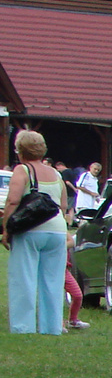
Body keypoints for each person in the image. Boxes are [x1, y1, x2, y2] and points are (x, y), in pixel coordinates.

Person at [2, 130, 71, 335]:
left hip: (31, 230)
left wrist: (6, 228)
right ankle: (52, 327)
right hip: (57, 231)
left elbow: (13, 200)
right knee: (53, 280)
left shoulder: (23, 170)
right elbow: (64, 205)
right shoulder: (56, 174)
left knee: (23, 278)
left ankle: (23, 327)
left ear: (20, 150)